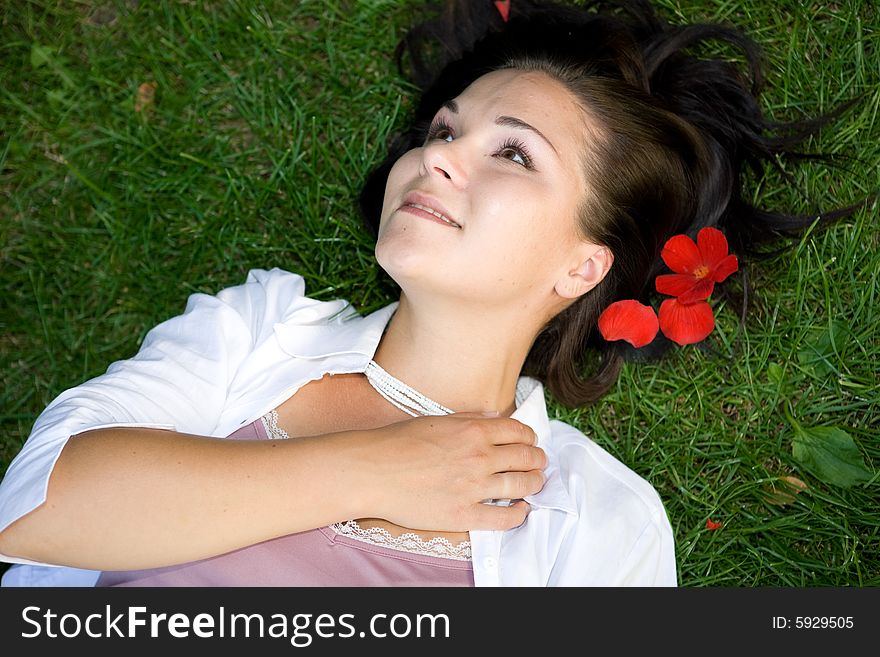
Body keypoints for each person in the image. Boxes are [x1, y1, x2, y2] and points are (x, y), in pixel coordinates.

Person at [0, 0, 863, 586]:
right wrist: (372, 470)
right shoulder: (257, 327)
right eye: (445, 128)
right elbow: (34, 510)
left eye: (514, 152)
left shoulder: (599, 521)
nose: (437, 154)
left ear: (581, 268)